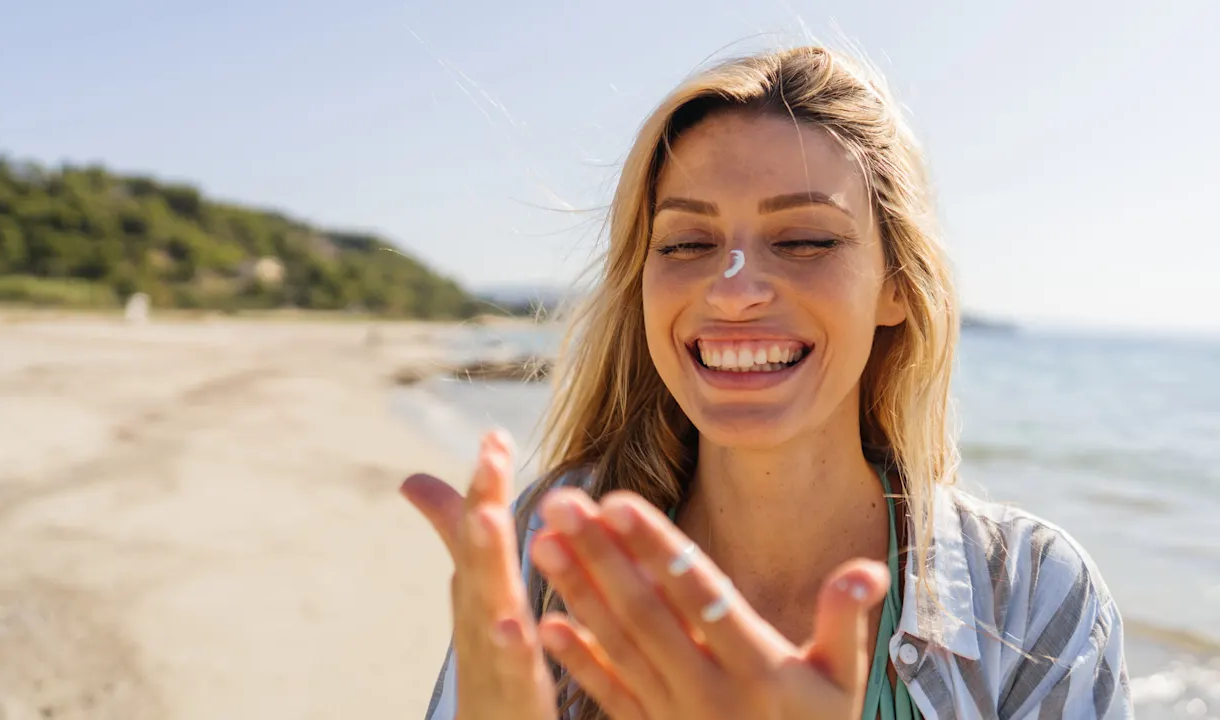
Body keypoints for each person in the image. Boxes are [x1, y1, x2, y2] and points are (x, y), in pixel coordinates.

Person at [402, 45, 1132, 719]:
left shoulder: (1036, 597)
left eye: (805, 240)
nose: (733, 289)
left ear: (897, 286)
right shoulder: (551, 540)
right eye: (688, 243)